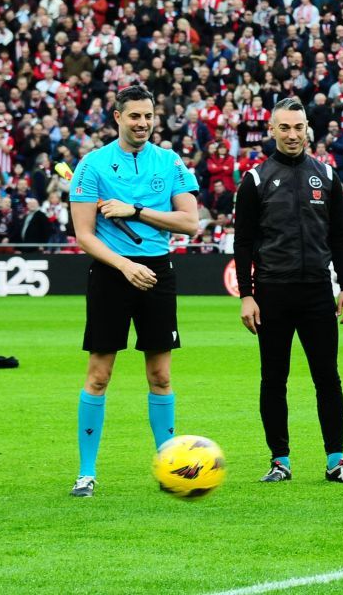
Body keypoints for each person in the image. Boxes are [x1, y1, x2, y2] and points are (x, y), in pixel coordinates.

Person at [68, 85, 199, 497]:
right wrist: (125, 265)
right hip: (111, 272)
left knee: (160, 376)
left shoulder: (170, 162)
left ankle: (169, 469)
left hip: (158, 272)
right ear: (117, 118)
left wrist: (136, 211)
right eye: (135, 116)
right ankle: (86, 472)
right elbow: (85, 235)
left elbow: (190, 222)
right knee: (99, 374)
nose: (142, 123)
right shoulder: (93, 165)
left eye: (148, 116)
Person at [233, 97, 343, 485]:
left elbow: (340, 237)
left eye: (299, 127)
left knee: (328, 377)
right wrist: (247, 294)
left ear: (308, 129)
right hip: (272, 293)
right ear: (271, 130)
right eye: (285, 128)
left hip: (316, 293)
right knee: (274, 378)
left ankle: (336, 461)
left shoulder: (326, 176)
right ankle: (280, 461)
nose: (293, 135)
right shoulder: (255, 180)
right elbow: (243, 243)